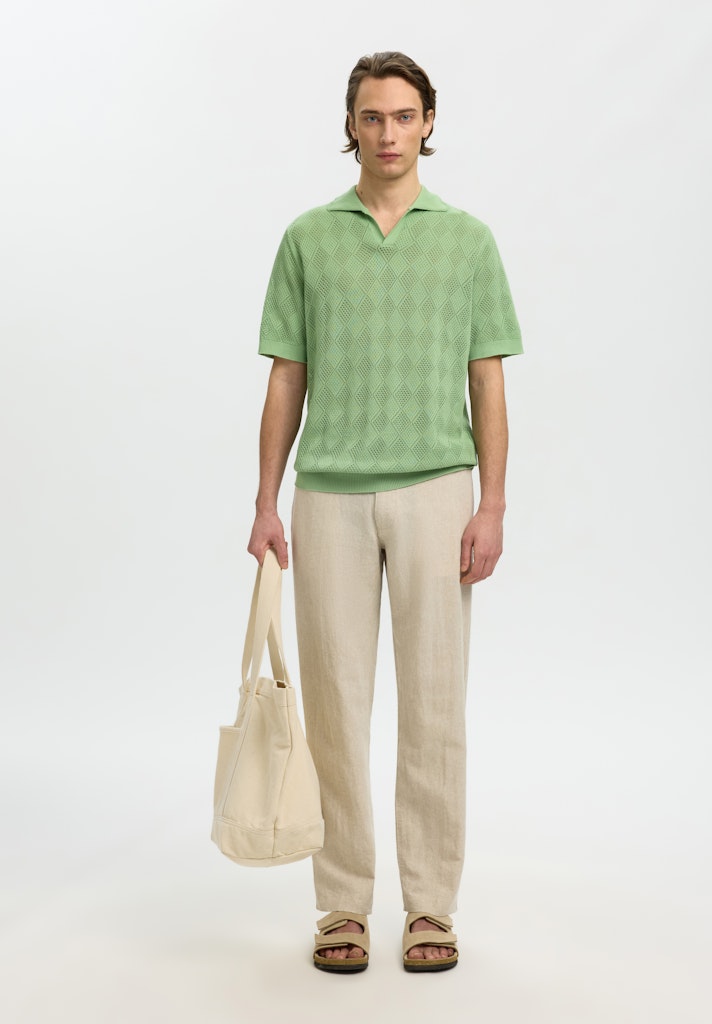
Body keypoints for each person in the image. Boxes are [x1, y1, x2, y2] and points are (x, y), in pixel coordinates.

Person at [247, 51, 522, 973]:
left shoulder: (468, 241)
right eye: (373, 117)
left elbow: (487, 379)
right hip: (327, 493)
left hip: (438, 490)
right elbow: (287, 376)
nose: (389, 133)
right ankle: (343, 906)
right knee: (335, 709)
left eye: (405, 116)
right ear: (351, 126)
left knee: (435, 708)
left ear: (429, 122)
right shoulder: (308, 238)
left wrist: (491, 502)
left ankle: (431, 905)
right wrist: (265, 499)